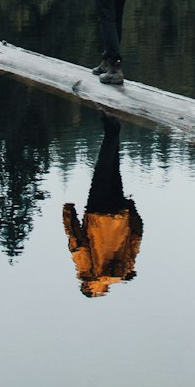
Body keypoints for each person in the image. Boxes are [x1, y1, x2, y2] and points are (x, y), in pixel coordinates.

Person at [62, 115, 142, 297]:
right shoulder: (89, 273)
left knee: (113, 170)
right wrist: (69, 214)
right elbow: (78, 245)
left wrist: (132, 211)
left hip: (121, 216)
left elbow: (136, 239)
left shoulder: (123, 271)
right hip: (97, 215)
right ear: (88, 288)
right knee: (103, 170)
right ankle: (112, 128)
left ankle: (112, 129)